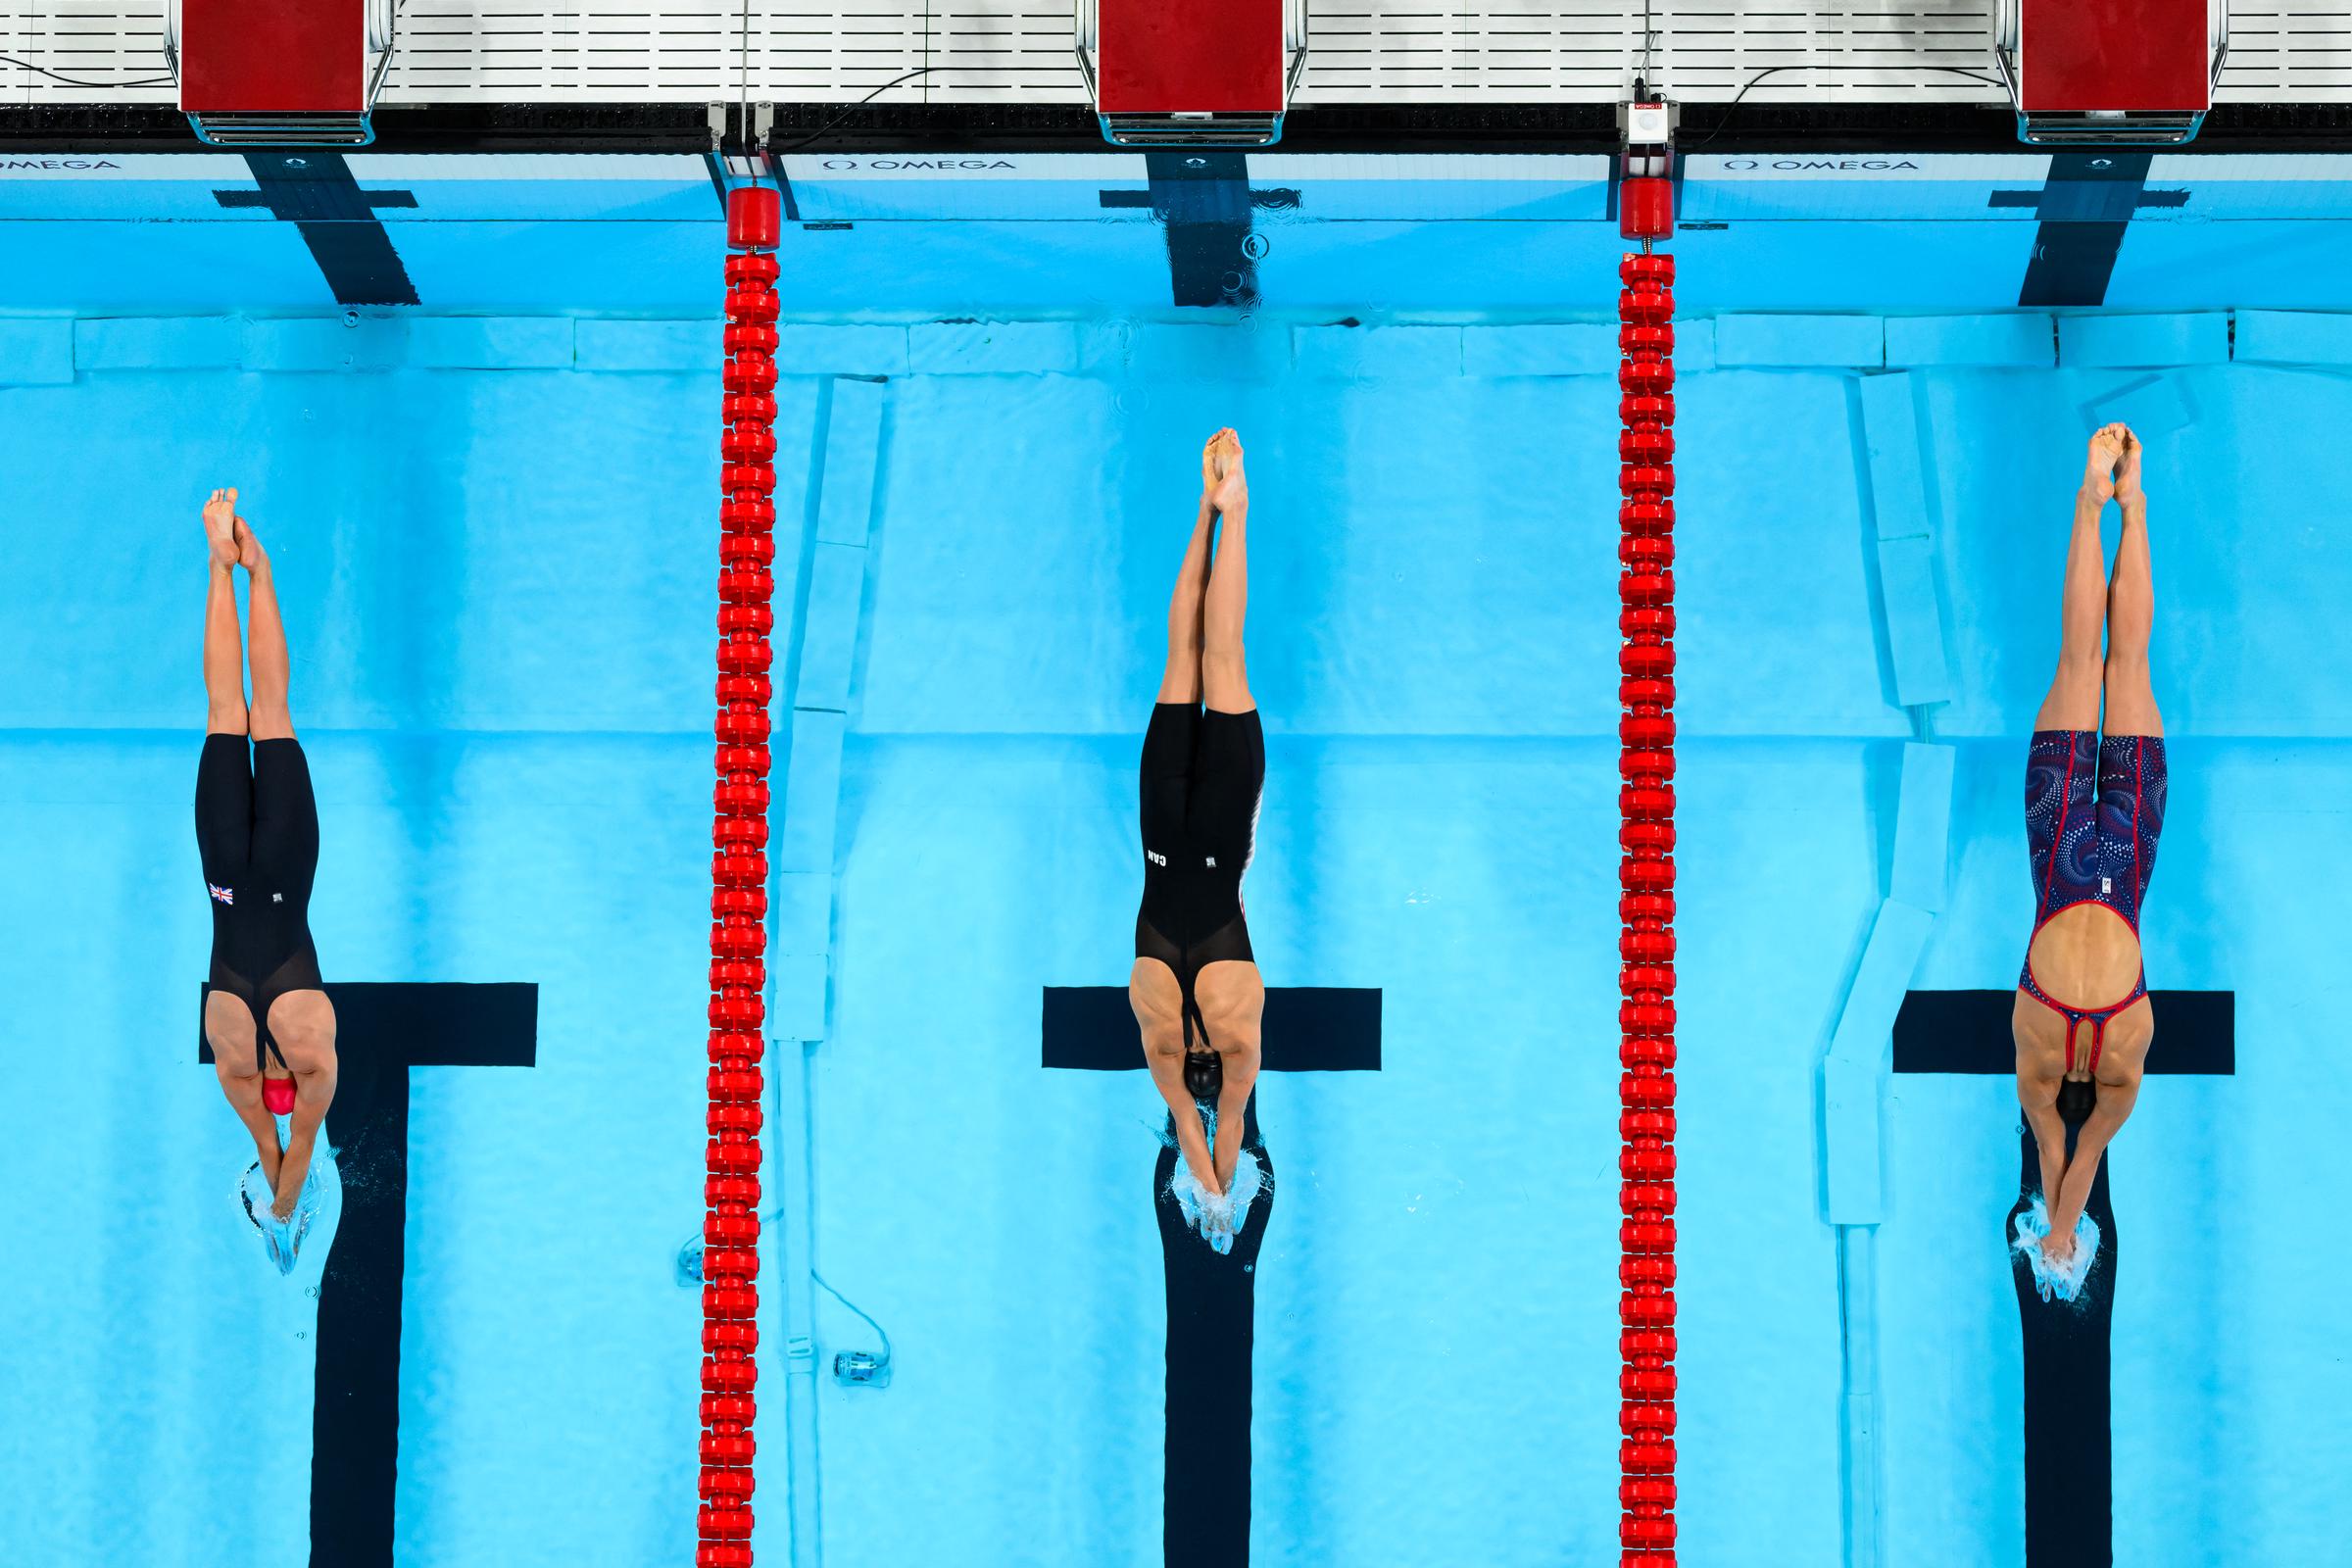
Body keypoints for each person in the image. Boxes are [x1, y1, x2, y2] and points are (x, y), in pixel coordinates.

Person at [2012, 425, 2166, 1284]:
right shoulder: (2039, 1052)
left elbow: (2072, 1159)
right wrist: (2052, 1234)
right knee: (2095, 661)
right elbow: (2058, 1157)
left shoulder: (2119, 1058)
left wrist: (2061, 1237)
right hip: (2065, 836)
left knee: (2117, 664)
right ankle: (2101, 501)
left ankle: (2125, 502)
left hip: (2109, 842)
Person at [1130, 429, 1269, 1245]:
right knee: (1181, 657)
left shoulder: (1241, 1040)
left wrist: (1225, 1203)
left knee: (1224, 656)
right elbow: (1189, 1125)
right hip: (1159, 830)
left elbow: (1219, 1132)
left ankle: (1236, 510)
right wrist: (1206, 1198)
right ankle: (1203, 508)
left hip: (1219, 838)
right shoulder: (1158, 1042)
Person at [196, 487, 339, 1242]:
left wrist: (285, 1208)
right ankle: (221, 567)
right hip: (222, 872)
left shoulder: (314, 1058)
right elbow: (275, 1148)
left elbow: (296, 1148)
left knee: (268, 714)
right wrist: (279, 1210)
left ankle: (256, 572)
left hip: (284, 865)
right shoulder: (236, 1067)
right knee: (229, 713)